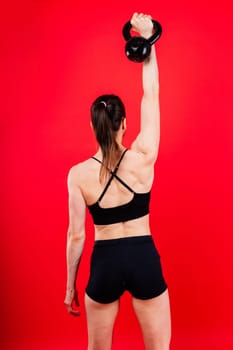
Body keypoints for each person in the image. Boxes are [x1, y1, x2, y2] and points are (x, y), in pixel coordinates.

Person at [64, 12, 171, 350]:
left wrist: (70, 287)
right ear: (124, 123)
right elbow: (151, 93)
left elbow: (77, 234)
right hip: (143, 257)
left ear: (94, 128)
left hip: (105, 262)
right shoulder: (143, 157)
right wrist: (148, 40)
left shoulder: (78, 174)